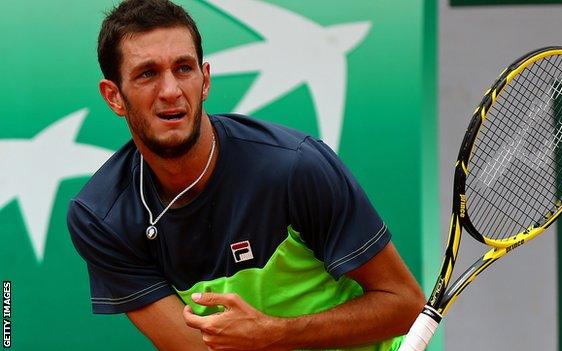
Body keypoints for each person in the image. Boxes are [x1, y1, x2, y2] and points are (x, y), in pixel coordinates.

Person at [67, 0, 425, 350]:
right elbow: (195, 348)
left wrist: (273, 333)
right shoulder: (102, 218)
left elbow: (405, 304)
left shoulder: (294, 167)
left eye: (184, 69)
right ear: (114, 97)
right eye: (147, 74)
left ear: (204, 80)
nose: (171, 91)